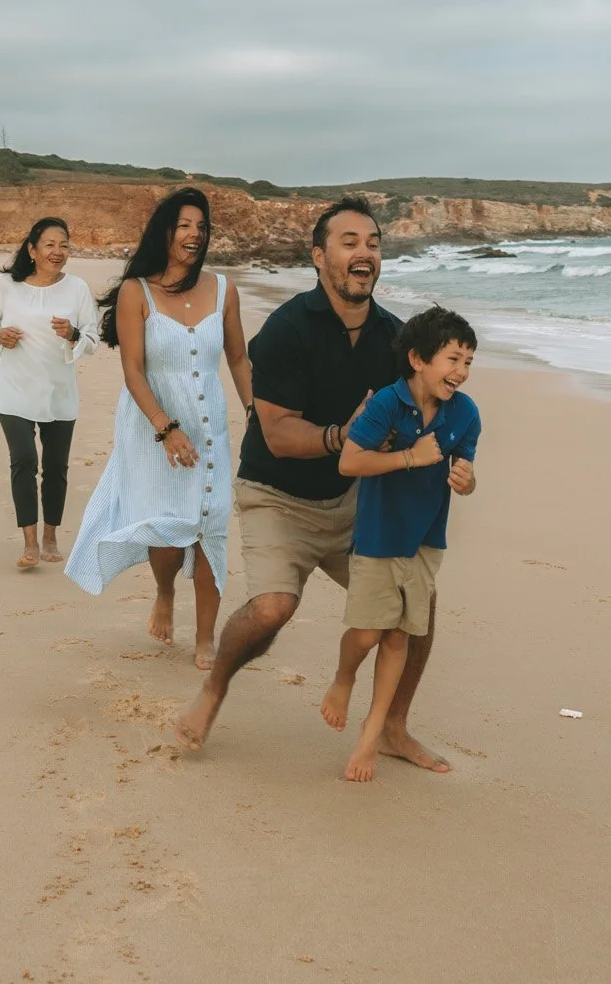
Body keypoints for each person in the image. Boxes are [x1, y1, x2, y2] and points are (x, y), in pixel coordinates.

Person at [174, 198, 448, 773]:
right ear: (319, 256)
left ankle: (394, 727)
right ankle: (216, 687)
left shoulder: (397, 341)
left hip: (354, 502)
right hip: (278, 494)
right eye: (349, 243)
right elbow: (274, 433)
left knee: (413, 602)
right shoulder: (288, 329)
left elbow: (422, 416)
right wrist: (341, 437)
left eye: (372, 243)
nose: (363, 254)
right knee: (274, 607)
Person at [64, 188, 252, 669]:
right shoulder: (136, 292)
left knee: (210, 523)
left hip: (208, 423)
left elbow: (237, 357)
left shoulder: (224, 289)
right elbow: (133, 370)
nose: (195, 235)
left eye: (201, 226)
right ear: (164, 232)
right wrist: (166, 429)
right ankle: (165, 591)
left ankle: (206, 635)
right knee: (168, 529)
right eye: (184, 225)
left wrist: (255, 412)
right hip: (152, 423)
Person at [322, 306, 480, 781]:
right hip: (377, 536)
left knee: (399, 639)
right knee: (368, 634)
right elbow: (349, 463)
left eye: (469, 362)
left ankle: (371, 739)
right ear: (417, 358)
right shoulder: (386, 404)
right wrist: (410, 457)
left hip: (427, 540)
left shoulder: (466, 413)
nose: (462, 372)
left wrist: (467, 480)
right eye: (453, 359)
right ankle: (343, 677)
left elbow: (466, 475)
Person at [0, 217, 99, 570]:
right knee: (24, 459)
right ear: (32, 249)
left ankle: (50, 535)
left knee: (56, 465)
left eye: (64, 245)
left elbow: (93, 339)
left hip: (58, 389)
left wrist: (73, 333)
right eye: (49, 245)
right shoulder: (6, 285)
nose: (57, 252)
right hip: (12, 386)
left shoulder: (77, 289)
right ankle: (30, 542)